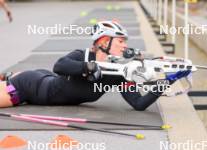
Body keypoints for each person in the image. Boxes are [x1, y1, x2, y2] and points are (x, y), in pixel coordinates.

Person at [0, 21, 190, 110]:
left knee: (14, 77)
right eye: (120, 41)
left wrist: (169, 80)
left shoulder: (118, 74)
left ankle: (8, 76)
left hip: (43, 78)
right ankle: (10, 77)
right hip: (30, 87)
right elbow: (59, 66)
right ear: (104, 41)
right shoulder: (82, 54)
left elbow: (138, 104)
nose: (125, 45)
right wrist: (89, 67)